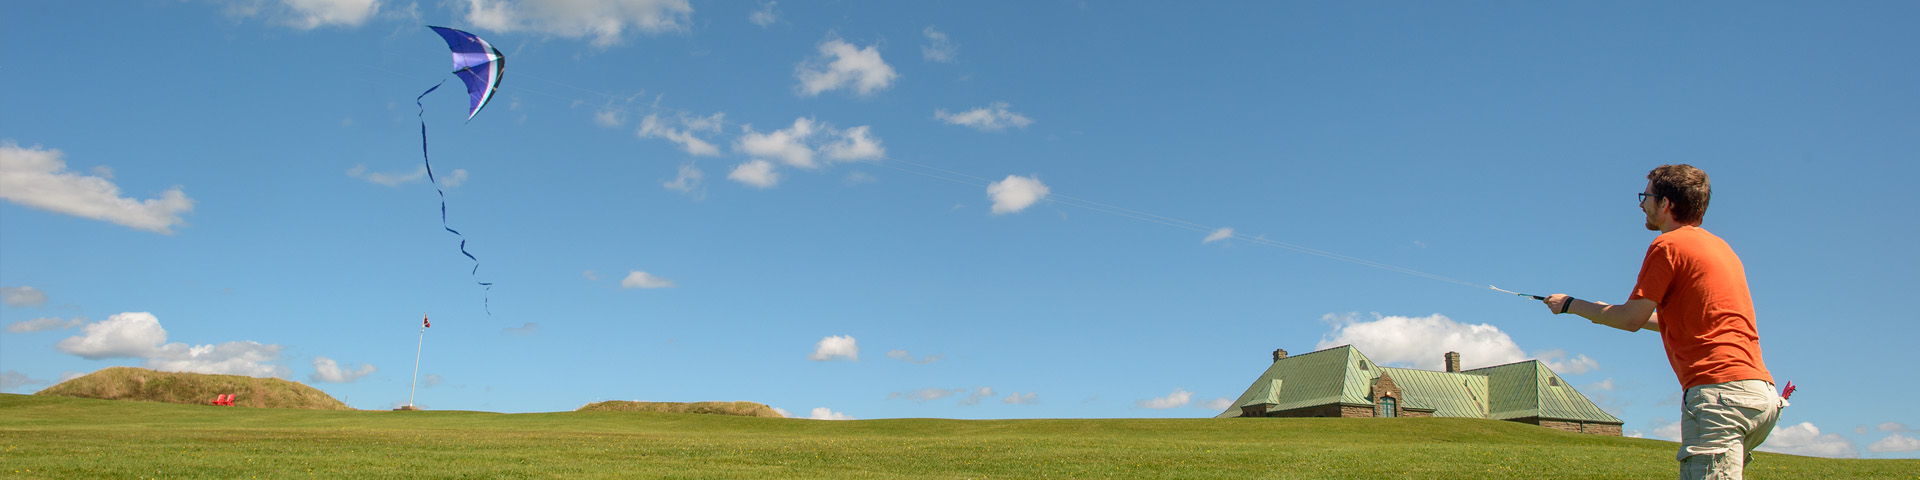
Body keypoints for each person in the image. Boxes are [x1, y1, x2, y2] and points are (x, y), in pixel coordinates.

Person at [1541, 164, 1782, 479]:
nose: (1642, 204)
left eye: (1646, 196)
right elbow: (1682, 320)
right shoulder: (1720, 247)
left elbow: (1630, 319)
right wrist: (1604, 311)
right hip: (1759, 396)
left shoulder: (1668, 245)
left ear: (1665, 203)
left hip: (1718, 395)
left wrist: (1571, 305)